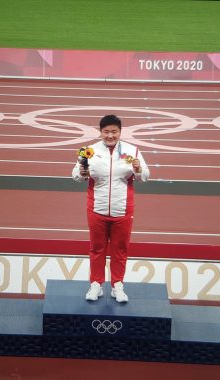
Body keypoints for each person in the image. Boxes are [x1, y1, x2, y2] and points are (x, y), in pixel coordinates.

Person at [72, 115, 150, 302]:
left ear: (120, 132)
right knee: (97, 248)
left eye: (114, 131)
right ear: (100, 132)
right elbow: (76, 176)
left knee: (120, 249)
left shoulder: (132, 151)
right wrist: (82, 173)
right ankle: (96, 285)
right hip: (97, 208)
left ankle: (117, 286)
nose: (110, 135)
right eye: (106, 132)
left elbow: (145, 176)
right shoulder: (89, 151)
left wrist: (138, 169)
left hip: (122, 209)